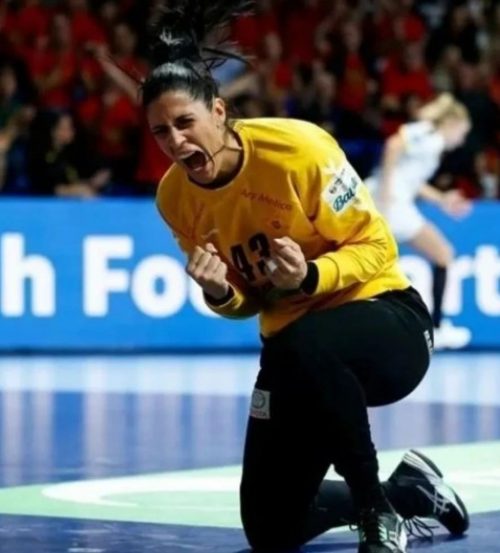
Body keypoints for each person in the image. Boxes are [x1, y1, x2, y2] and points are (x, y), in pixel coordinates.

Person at [145, 2, 469, 552]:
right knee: (271, 526)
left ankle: (375, 511)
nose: (175, 142)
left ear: (218, 112)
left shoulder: (299, 149)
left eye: (184, 123)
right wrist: (220, 292)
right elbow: (249, 302)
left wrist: (312, 275)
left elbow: (379, 247)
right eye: (160, 132)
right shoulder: (175, 198)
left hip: (389, 323)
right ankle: (409, 491)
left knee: (305, 341)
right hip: (296, 353)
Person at [365, 94, 472, 349]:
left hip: (395, 202)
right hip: (392, 204)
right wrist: (386, 192)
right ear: (452, 124)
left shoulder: (432, 145)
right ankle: (437, 328)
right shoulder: (430, 134)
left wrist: (442, 199)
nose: (462, 141)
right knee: (443, 254)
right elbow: (393, 145)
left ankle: (433, 326)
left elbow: (412, 180)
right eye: (462, 133)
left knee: (375, 267)